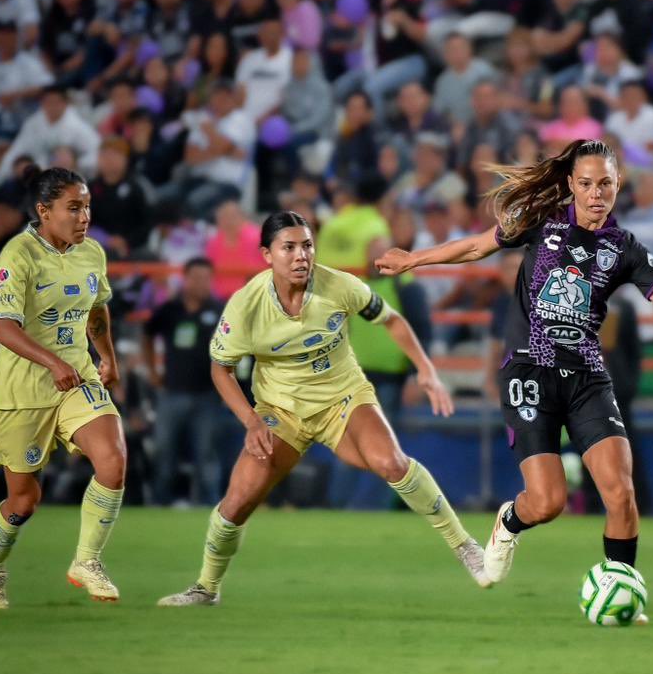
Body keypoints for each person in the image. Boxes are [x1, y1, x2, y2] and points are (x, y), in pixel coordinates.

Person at [375, 140, 653, 615]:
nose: (596, 194)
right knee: (549, 501)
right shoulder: (543, 222)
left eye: (606, 184)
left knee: (620, 492)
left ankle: (624, 592)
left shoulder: (623, 248)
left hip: (586, 376)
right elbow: (476, 246)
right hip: (528, 370)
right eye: (587, 184)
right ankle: (509, 523)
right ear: (571, 185)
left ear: (619, 185)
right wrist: (414, 259)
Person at [158, 211, 488, 606]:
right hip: (280, 412)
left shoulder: (340, 286)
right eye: (289, 247)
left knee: (392, 463)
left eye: (308, 245)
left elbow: (392, 319)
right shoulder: (246, 305)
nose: (301, 256)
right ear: (266, 254)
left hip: (343, 399)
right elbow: (221, 369)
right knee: (237, 502)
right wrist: (250, 420)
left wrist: (427, 370)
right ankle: (206, 588)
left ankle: (465, 546)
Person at [0, 166, 128, 609]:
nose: (85, 217)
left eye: (87, 207)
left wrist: (108, 356)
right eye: (74, 208)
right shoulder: (18, 255)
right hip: (23, 389)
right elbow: (4, 328)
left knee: (113, 460)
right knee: (24, 499)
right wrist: (52, 361)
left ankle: (87, 560)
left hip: (76, 376)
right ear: (44, 211)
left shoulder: (91, 253)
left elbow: (97, 309)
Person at [142, 258, 224, 505]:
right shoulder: (169, 309)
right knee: (164, 451)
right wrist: (153, 371)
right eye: (196, 278)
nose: (201, 283)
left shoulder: (220, 311)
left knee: (206, 455)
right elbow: (147, 334)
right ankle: (159, 503)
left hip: (207, 394)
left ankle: (210, 507)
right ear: (185, 279)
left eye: (206, 278)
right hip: (172, 391)